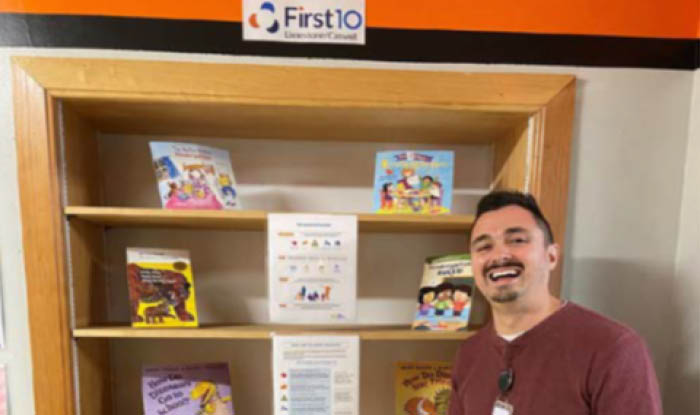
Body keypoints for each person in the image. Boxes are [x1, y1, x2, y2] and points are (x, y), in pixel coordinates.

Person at [449, 190, 661, 415]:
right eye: (484, 247)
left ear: (551, 256)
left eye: (517, 240)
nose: (499, 255)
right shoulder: (469, 355)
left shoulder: (613, 349)